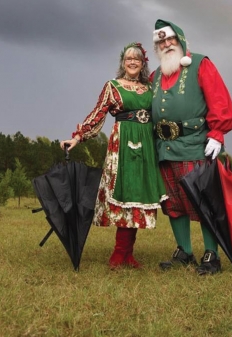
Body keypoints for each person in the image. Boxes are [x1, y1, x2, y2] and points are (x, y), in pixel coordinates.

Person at [60, 43, 165, 269]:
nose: (133, 61)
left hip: (146, 144)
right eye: (128, 58)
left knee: (138, 195)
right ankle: (118, 254)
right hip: (124, 143)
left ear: (143, 63)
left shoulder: (150, 88)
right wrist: (77, 138)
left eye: (137, 58)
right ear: (123, 62)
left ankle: (128, 253)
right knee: (125, 192)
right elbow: (98, 114)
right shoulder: (113, 86)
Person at [150, 19, 232, 276]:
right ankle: (184, 251)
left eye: (170, 39)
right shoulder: (155, 75)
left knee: (202, 201)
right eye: (161, 41)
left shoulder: (201, 64)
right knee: (173, 202)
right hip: (164, 148)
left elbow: (219, 98)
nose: (166, 44)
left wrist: (217, 133)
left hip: (195, 144)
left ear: (181, 39)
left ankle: (212, 255)